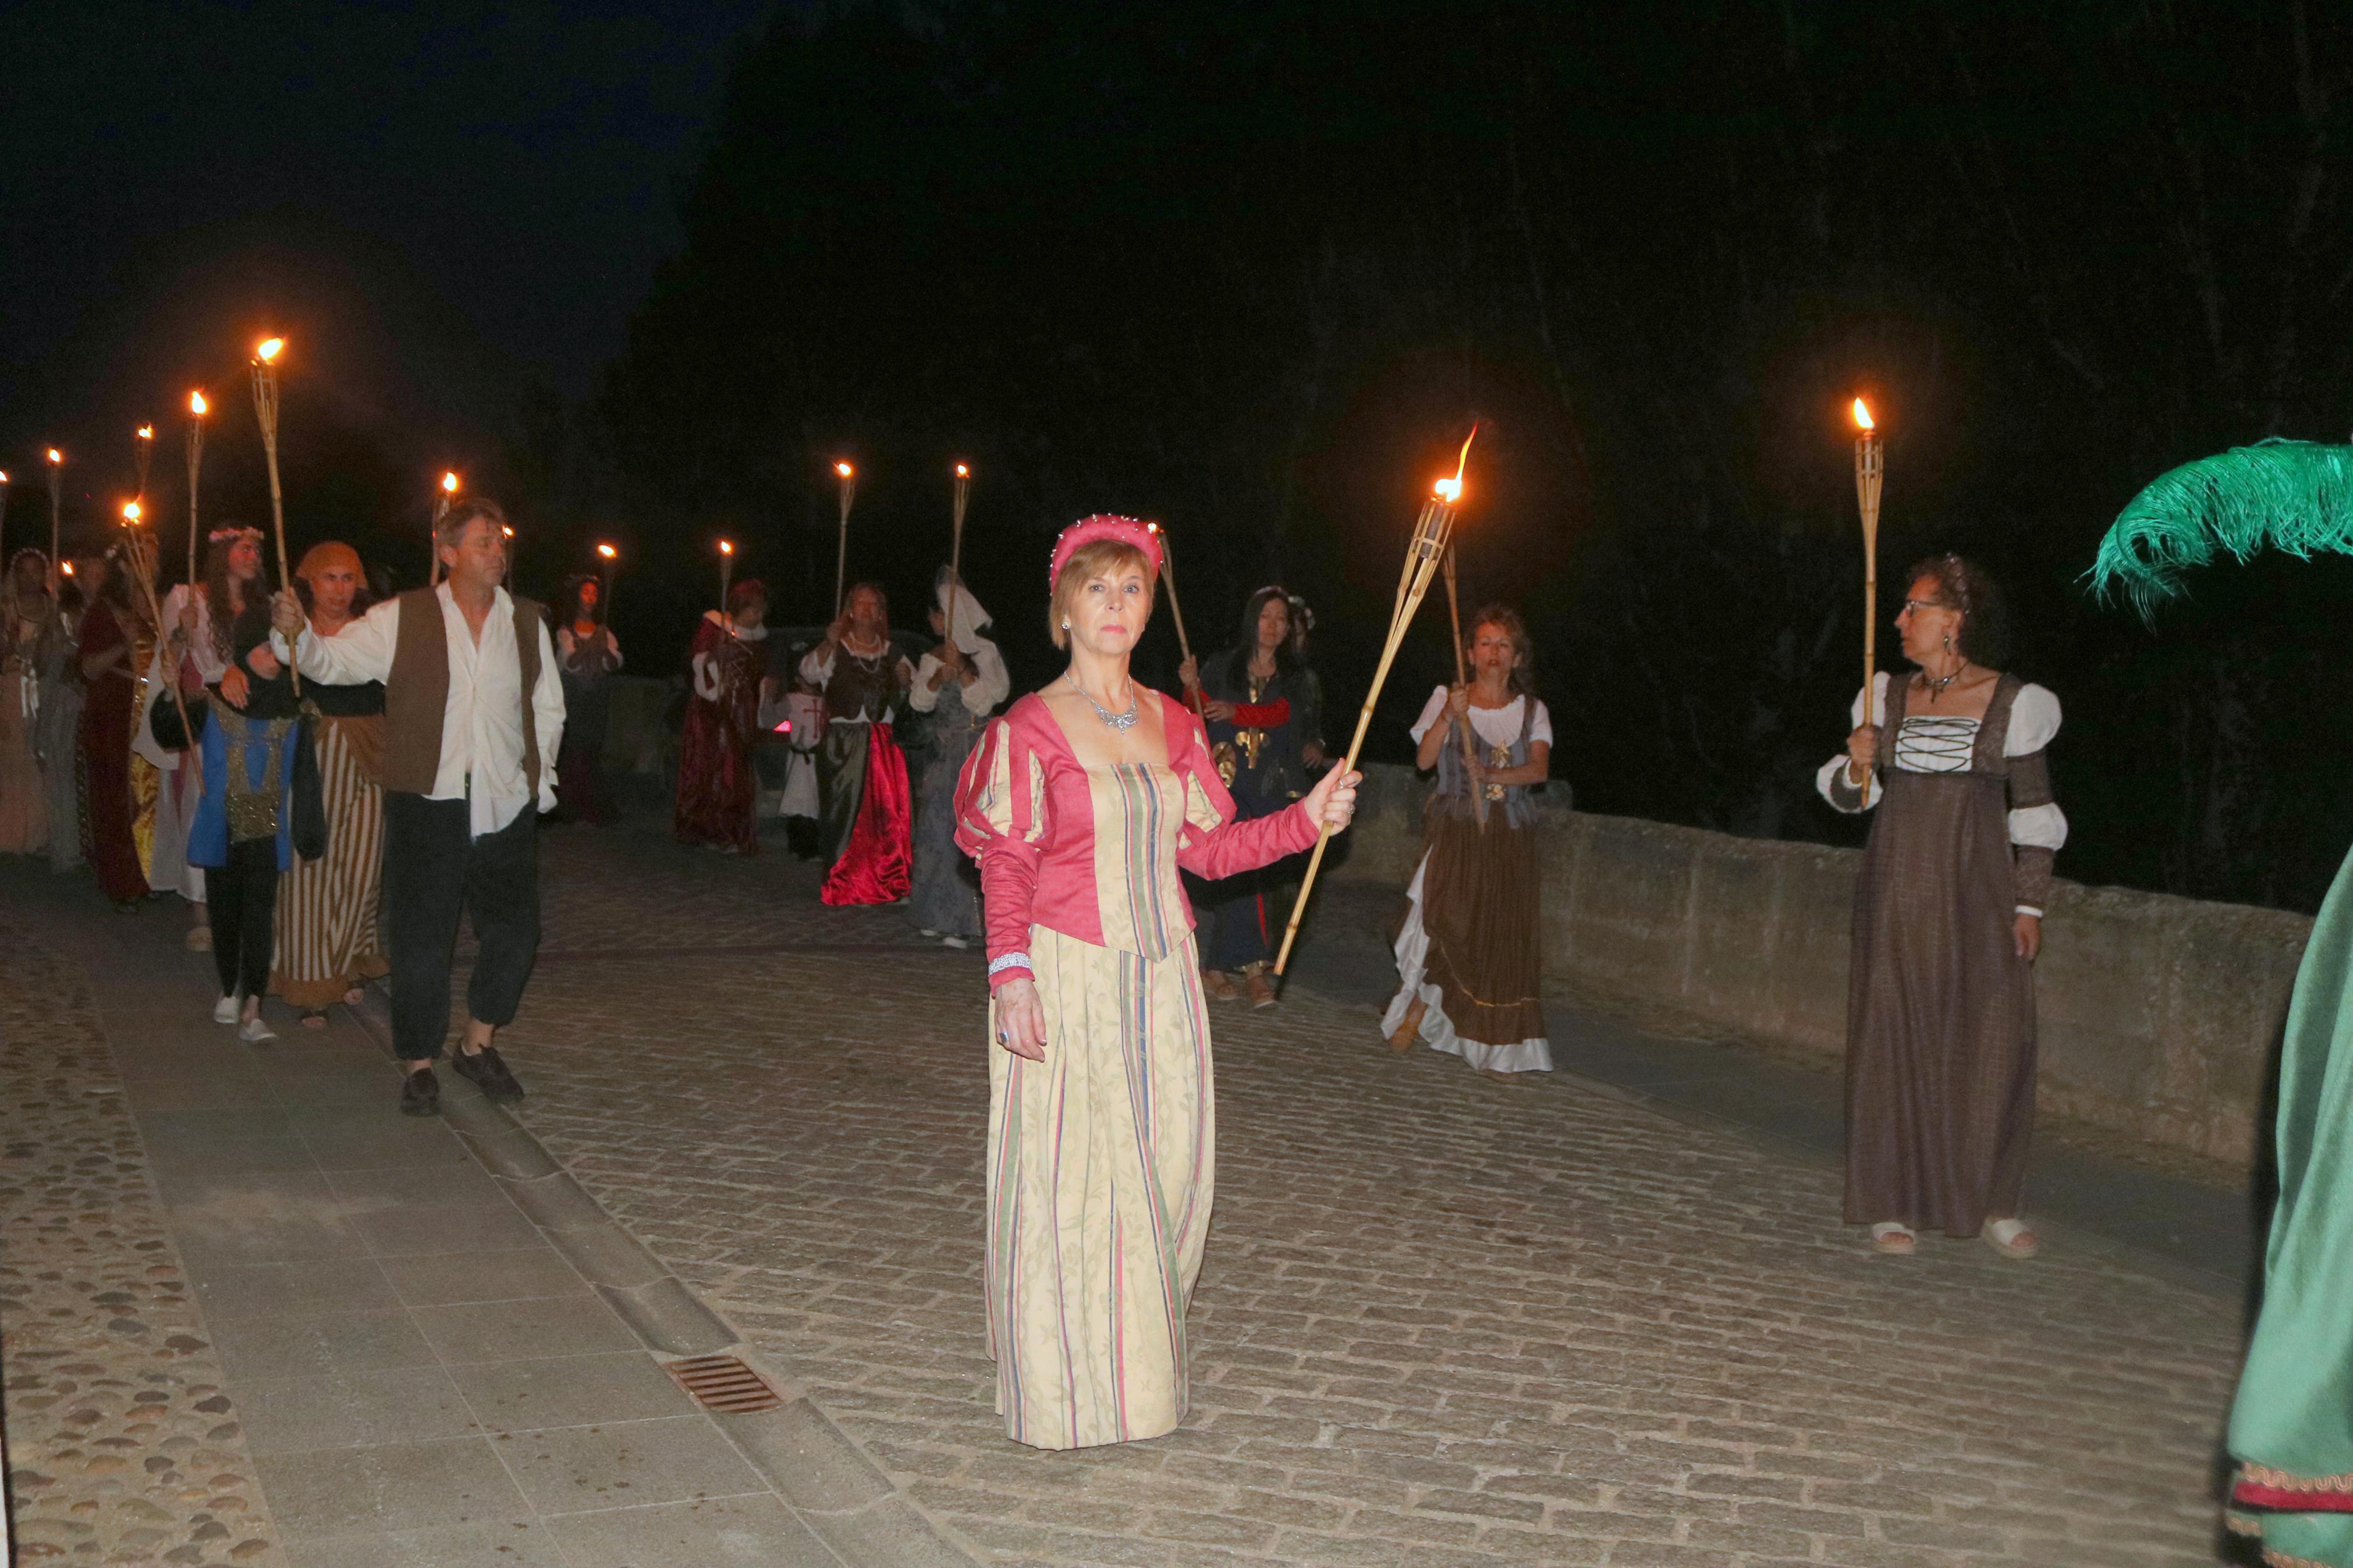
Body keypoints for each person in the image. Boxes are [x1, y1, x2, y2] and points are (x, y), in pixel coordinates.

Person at [954, 515, 1360, 1450]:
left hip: (1164, 977)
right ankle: (1065, 1391)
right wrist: (1010, 973)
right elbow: (1008, 861)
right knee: (1071, 1182)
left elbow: (1208, 850)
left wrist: (1304, 819)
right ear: (1062, 608)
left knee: (1167, 1172)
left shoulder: (1172, 722)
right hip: (1064, 968)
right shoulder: (1027, 728)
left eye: (1131, 588)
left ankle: (1140, 1373)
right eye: (1096, 587)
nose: (1115, 605)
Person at [270, 497, 563, 1117]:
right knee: (423, 938)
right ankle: (419, 1060)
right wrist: (291, 632)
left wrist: (541, 777)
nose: (498, 551)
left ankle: (477, 1042)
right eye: (484, 541)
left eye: (501, 540)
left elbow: (546, 704)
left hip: (503, 797)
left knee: (515, 932)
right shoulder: (403, 616)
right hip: (427, 797)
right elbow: (332, 661)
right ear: (448, 550)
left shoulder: (526, 620)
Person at [1816, 554, 2061, 1260]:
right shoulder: (1883, 696)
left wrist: (2029, 905)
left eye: (1914, 608)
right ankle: (1889, 1199)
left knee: (1989, 1035)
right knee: (1892, 1033)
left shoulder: (2012, 702)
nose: (1899, 620)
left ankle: (1989, 1201)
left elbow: (2035, 809)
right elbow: (1848, 799)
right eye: (1900, 607)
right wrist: (1858, 759)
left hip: (1977, 889)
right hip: (1896, 885)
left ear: (1953, 621)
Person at [1382, 606, 1555, 1079]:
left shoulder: (1532, 711)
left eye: (1503, 644)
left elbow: (1537, 770)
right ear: (1469, 652)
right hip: (1458, 830)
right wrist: (1447, 716)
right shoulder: (1447, 696)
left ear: (1517, 656)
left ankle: (1499, 1045)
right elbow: (1424, 759)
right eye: (1485, 642)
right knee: (1450, 920)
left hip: (1509, 836)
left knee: (1500, 938)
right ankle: (1419, 1005)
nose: (1493, 652)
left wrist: (1494, 774)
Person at [161, 599, 300, 1043]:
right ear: (244, 652)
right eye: (261, 648)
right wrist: (169, 692)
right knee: (225, 911)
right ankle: (228, 987)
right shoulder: (216, 698)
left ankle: (254, 1002)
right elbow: (169, 730)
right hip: (221, 824)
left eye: (276, 647)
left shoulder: (295, 703)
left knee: (260, 911)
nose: (270, 656)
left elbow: (308, 771)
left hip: (267, 825)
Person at [1180, 585, 1320, 1006]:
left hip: (1270, 784)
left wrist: (1235, 711)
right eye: (1266, 617)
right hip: (1229, 782)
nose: (1273, 626)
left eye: (1281, 619)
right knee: (1238, 869)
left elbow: (1282, 714)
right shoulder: (1224, 666)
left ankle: (1216, 966)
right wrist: (1191, 688)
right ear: (1252, 619)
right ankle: (1256, 972)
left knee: (1251, 875)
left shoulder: (1292, 676)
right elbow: (1197, 714)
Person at [268, 542, 389, 1025]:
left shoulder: (373, 631)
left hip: (373, 755)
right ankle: (310, 983)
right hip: (313, 758)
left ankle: (344, 961)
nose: (339, 589)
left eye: (346, 578)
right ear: (309, 584)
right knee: (308, 869)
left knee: (361, 868)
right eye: (328, 578)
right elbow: (260, 672)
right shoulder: (291, 631)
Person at [149, 526, 269, 950]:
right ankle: (201, 910)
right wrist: (182, 629)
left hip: (251, 717)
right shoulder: (187, 598)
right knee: (202, 805)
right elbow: (167, 659)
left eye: (257, 550)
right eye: (245, 548)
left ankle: (239, 901)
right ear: (223, 555)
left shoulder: (264, 605)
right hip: (206, 716)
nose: (254, 555)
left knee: (247, 807)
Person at [906, 570, 1008, 946]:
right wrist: (937, 677)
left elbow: (991, 698)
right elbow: (919, 702)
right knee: (937, 834)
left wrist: (963, 670)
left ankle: (968, 921)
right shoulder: (931, 657)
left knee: (972, 835)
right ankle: (935, 913)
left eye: (937, 615)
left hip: (978, 753)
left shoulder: (985, 653)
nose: (932, 623)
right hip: (945, 754)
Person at [801, 581, 913, 905]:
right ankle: (849, 883)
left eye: (872, 605)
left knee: (886, 816)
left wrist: (906, 684)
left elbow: (914, 694)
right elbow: (809, 672)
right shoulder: (837, 646)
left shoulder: (892, 652)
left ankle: (891, 882)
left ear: (880, 614)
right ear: (850, 610)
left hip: (884, 740)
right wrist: (828, 641)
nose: (866, 610)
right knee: (847, 815)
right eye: (860, 604)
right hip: (844, 741)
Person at [675, 579, 770, 853]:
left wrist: (766, 685)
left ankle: (731, 831)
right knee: (708, 767)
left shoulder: (758, 640)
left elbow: (759, 672)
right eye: (754, 610)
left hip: (740, 711)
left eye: (762, 611)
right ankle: (703, 828)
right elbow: (695, 660)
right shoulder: (713, 627)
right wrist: (715, 655)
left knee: (735, 771)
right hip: (711, 710)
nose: (758, 617)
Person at [77, 550, 150, 910]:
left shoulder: (155, 604)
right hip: (112, 711)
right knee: (116, 795)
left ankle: (150, 873)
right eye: (143, 558)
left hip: (147, 710)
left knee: (147, 795)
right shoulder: (102, 612)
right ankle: (122, 881)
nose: (152, 564)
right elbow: (89, 668)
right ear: (125, 567)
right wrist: (125, 641)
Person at [553, 573, 622, 825]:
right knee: (572, 747)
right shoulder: (565, 630)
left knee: (591, 749)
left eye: (594, 593)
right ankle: (570, 804)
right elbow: (570, 663)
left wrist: (601, 646)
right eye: (586, 593)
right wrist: (594, 647)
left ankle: (589, 804)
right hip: (574, 697)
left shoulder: (605, 633)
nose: (591, 598)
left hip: (596, 698)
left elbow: (613, 663)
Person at [34, 563, 86, 873]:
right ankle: (65, 848)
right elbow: (43, 664)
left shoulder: (91, 614)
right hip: (62, 702)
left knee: (78, 775)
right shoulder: (56, 619)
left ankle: (83, 846)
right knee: (60, 773)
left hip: (84, 701)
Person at [2, 549, 52, 856]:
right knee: (12, 757)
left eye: (37, 572)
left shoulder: (53, 609)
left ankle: (37, 831)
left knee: (40, 756)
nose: (31, 578)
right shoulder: (7, 609)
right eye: (25, 572)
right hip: (11, 687)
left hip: (42, 689)